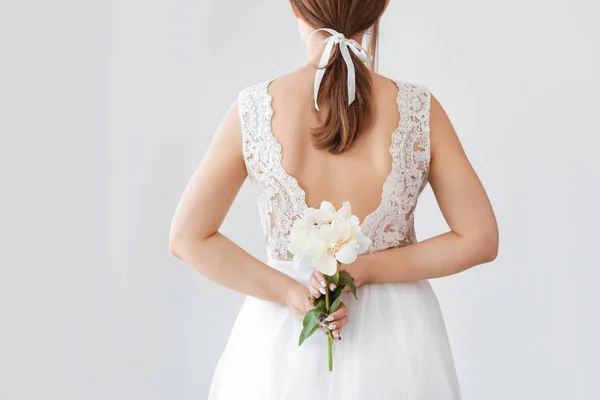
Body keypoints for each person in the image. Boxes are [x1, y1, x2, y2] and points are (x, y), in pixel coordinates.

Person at [169, 0, 498, 398]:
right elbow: (479, 238)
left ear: (296, 7)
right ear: (381, 8)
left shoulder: (255, 109)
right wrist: (366, 269)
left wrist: (290, 292)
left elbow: (188, 237)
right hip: (397, 341)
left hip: (284, 337)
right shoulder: (418, 110)